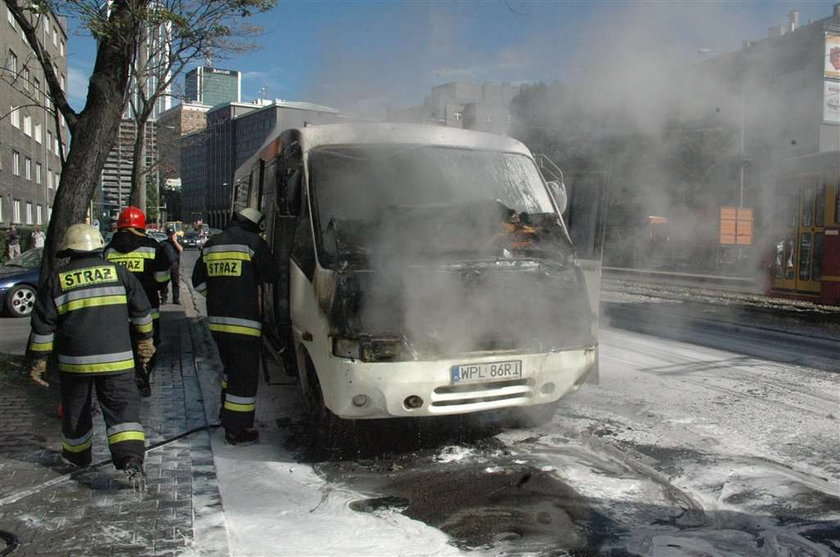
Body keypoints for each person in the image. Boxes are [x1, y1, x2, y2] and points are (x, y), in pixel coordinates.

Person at [26, 224, 155, 489]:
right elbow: (142, 312)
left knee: (76, 410)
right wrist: (145, 342)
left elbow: (43, 326)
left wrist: (38, 361)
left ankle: (77, 458)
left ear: (69, 249)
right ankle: (131, 461)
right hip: (118, 361)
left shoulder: (57, 279)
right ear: (97, 246)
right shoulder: (120, 273)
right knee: (123, 411)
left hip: (75, 364)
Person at [192, 208, 279, 445]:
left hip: (218, 323)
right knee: (244, 377)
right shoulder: (252, 243)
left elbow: (197, 282)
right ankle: (237, 431)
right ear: (254, 226)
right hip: (245, 324)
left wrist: (218, 297)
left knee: (230, 371)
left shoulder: (212, 243)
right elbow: (272, 274)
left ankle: (226, 413)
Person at [104, 207, 171, 397]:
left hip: (117, 312)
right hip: (148, 309)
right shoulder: (152, 247)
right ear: (142, 226)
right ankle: (143, 374)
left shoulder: (109, 250)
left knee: (124, 347)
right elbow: (161, 278)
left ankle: (127, 381)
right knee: (149, 345)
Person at [160, 228, 183, 304]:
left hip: (175, 266)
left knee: (176, 283)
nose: (171, 236)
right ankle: (164, 299)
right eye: (170, 234)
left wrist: (175, 241)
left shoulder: (177, 243)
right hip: (165, 266)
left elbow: (181, 250)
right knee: (164, 283)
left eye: (172, 234)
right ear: (167, 235)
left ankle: (176, 299)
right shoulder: (163, 243)